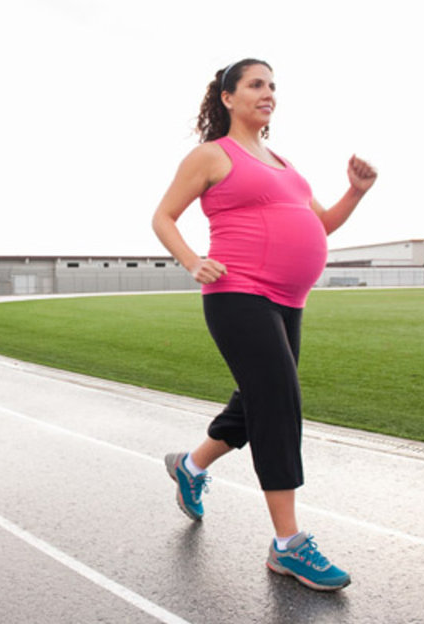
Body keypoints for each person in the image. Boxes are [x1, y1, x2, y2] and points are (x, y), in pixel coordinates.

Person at [151, 58, 377, 592]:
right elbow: (163, 216)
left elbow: (320, 223)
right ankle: (288, 546)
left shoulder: (283, 163)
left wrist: (356, 192)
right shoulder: (211, 155)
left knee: (258, 400)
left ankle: (191, 465)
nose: (268, 92)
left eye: (273, 85)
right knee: (278, 401)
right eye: (256, 84)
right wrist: (191, 260)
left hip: (287, 300)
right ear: (228, 97)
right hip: (238, 293)